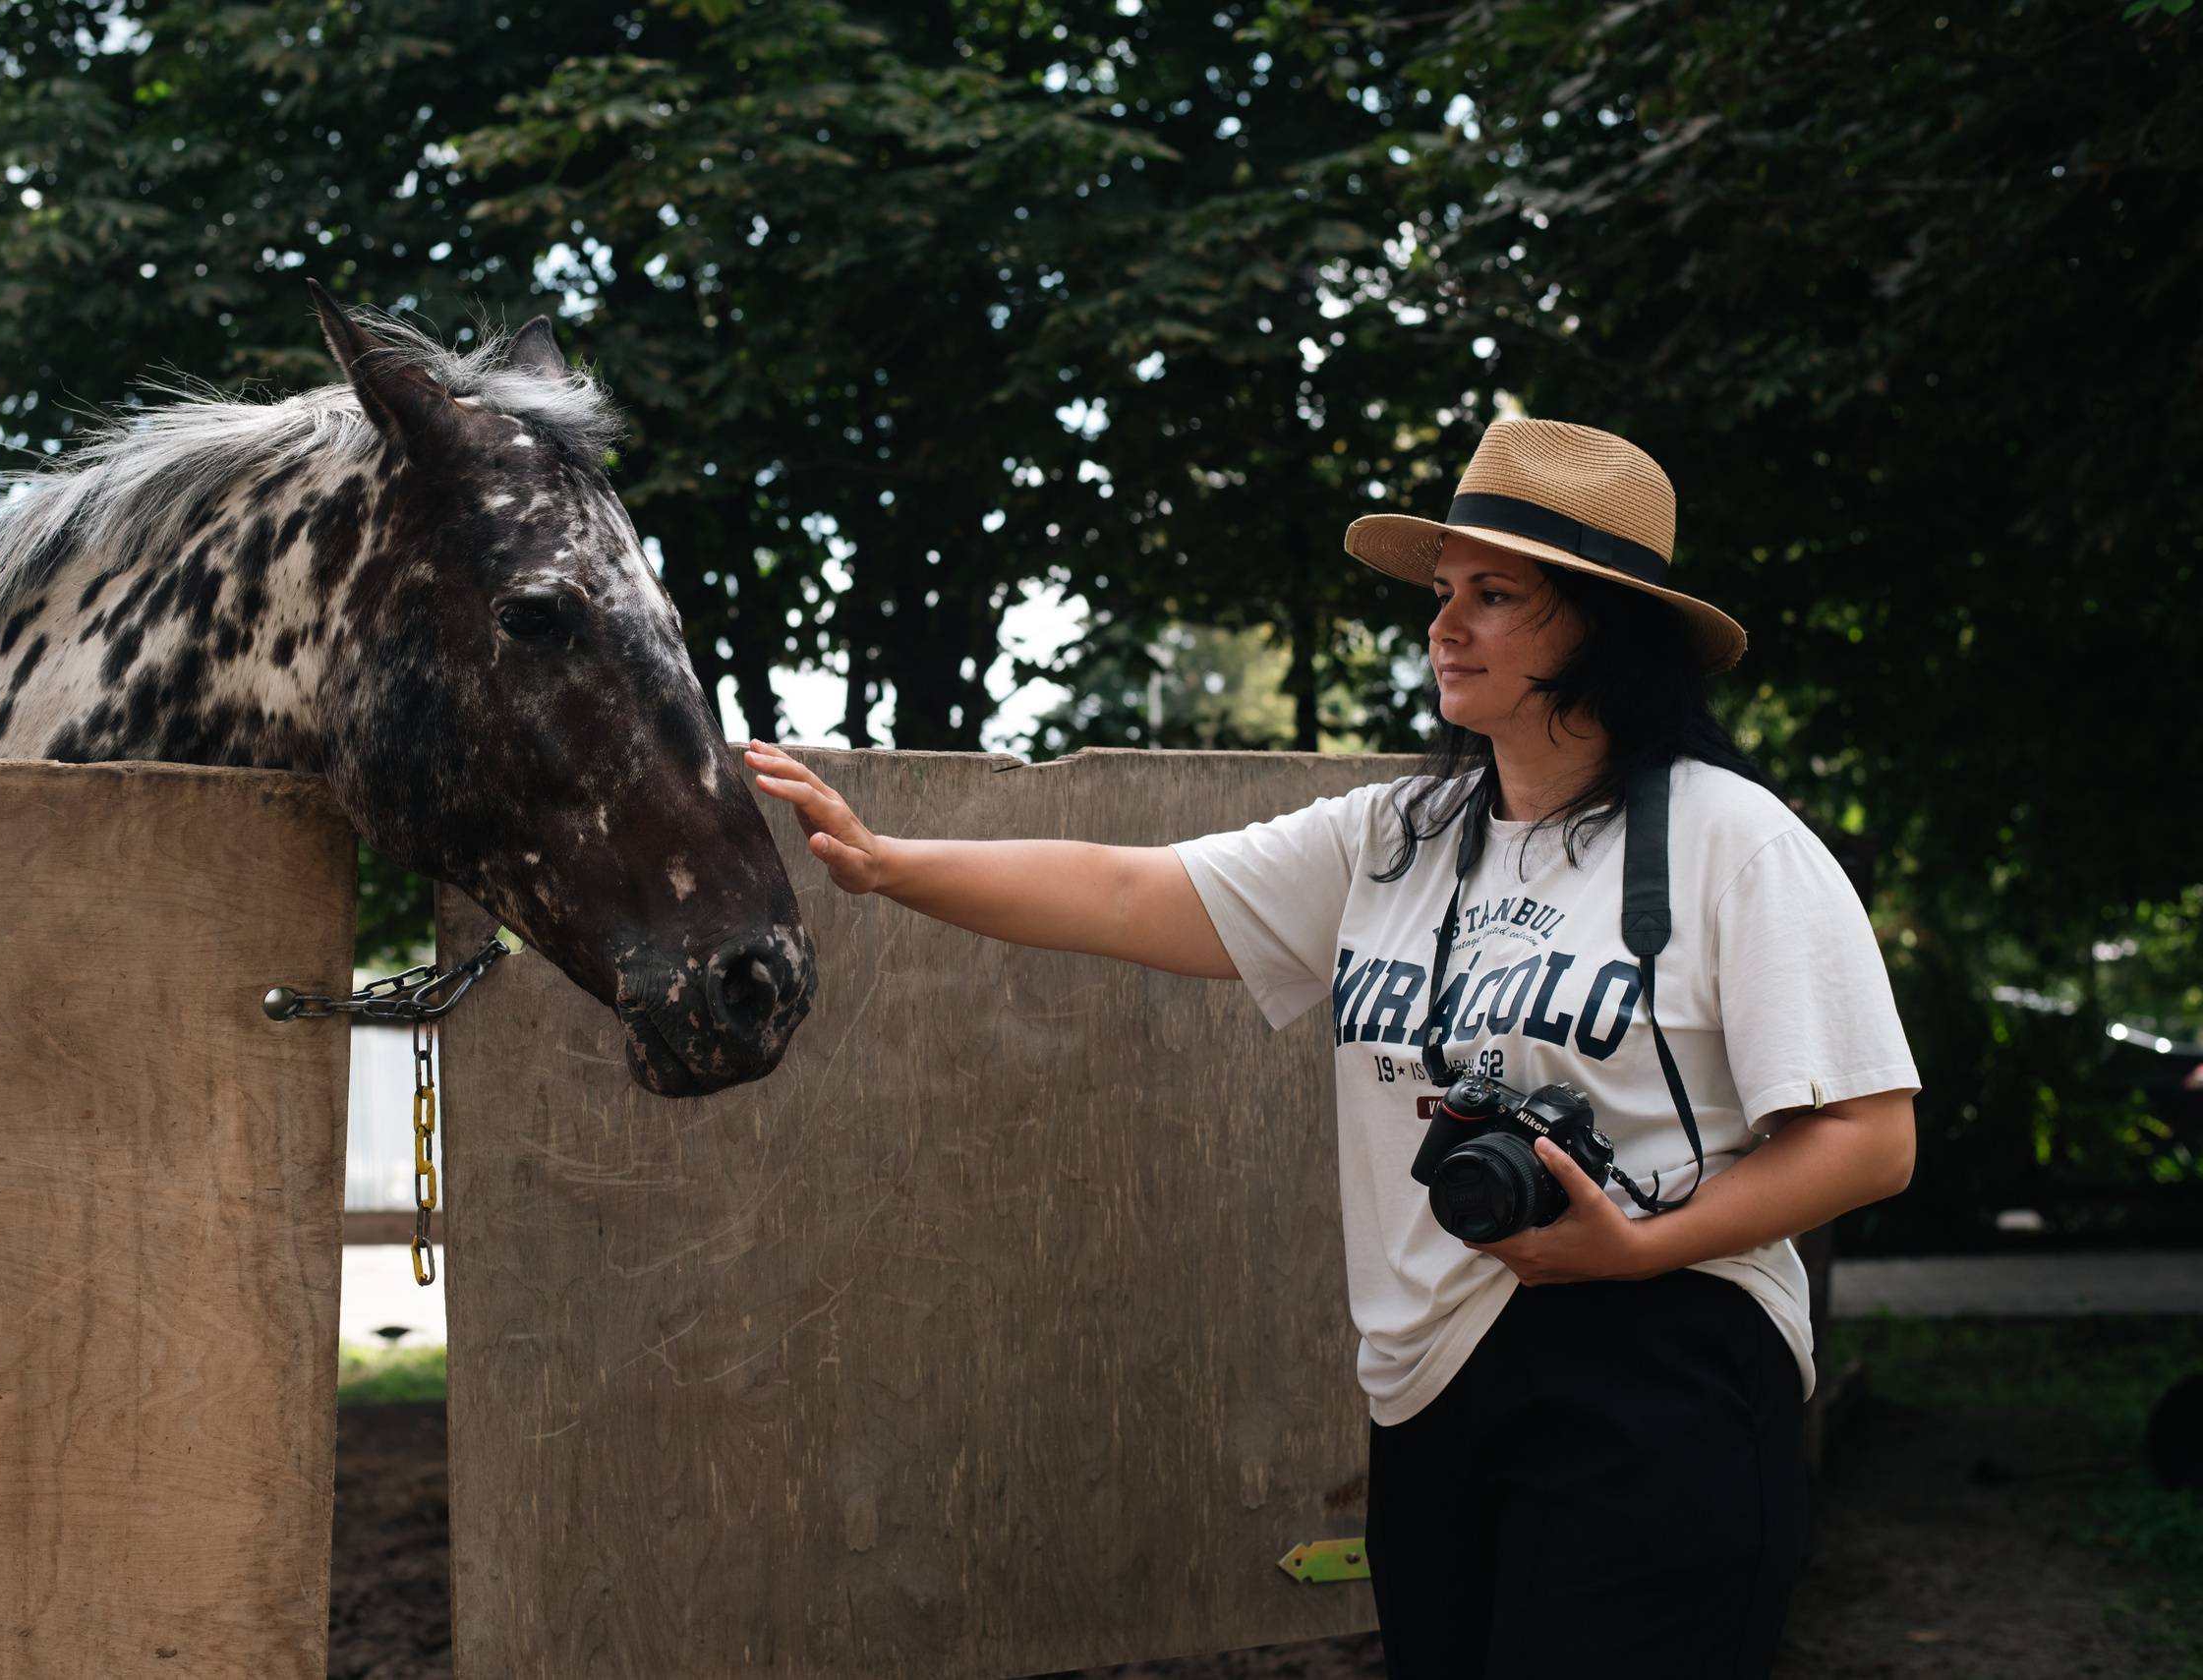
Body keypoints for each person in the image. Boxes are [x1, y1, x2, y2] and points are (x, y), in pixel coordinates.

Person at [743, 418, 1917, 1680]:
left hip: (1662, 1361)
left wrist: (1636, 1241)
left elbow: (1870, 1136)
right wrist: (886, 864)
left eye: (1495, 595)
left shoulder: (1729, 839)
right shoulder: (1397, 835)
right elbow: (1136, 894)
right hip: (1427, 1389)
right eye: (1442, 593)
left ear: (1600, 623)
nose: (1444, 626)